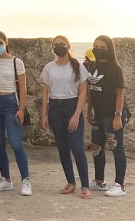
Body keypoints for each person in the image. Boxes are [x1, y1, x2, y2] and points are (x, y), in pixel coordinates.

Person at [40, 35, 91, 199]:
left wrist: (76, 115)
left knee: (76, 146)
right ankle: (71, 182)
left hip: (72, 106)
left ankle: (85, 185)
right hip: (55, 107)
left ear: (68, 46)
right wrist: (44, 115)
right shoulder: (49, 67)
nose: (59, 47)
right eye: (56, 45)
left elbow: (83, 92)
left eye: (62, 44)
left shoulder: (78, 67)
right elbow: (45, 92)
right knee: (62, 147)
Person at [0, 31, 31, 196]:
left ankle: (26, 180)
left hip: (10, 103)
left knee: (16, 143)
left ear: (6, 42)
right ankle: (6, 179)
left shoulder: (16, 62)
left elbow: (23, 87)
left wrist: (21, 108)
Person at [87, 35, 129, 197]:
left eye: (102, 47)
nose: (98, 49)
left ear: (109, 50)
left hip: (112, 114)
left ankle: (120, 184)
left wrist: (117, 116)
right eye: (95, 46)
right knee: (97, 147)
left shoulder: (115, 69)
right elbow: (91, 90)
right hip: (98, 113)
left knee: (116, 147)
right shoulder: (92, 66)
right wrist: (89, 110)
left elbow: (120, 94)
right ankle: (99, 181)